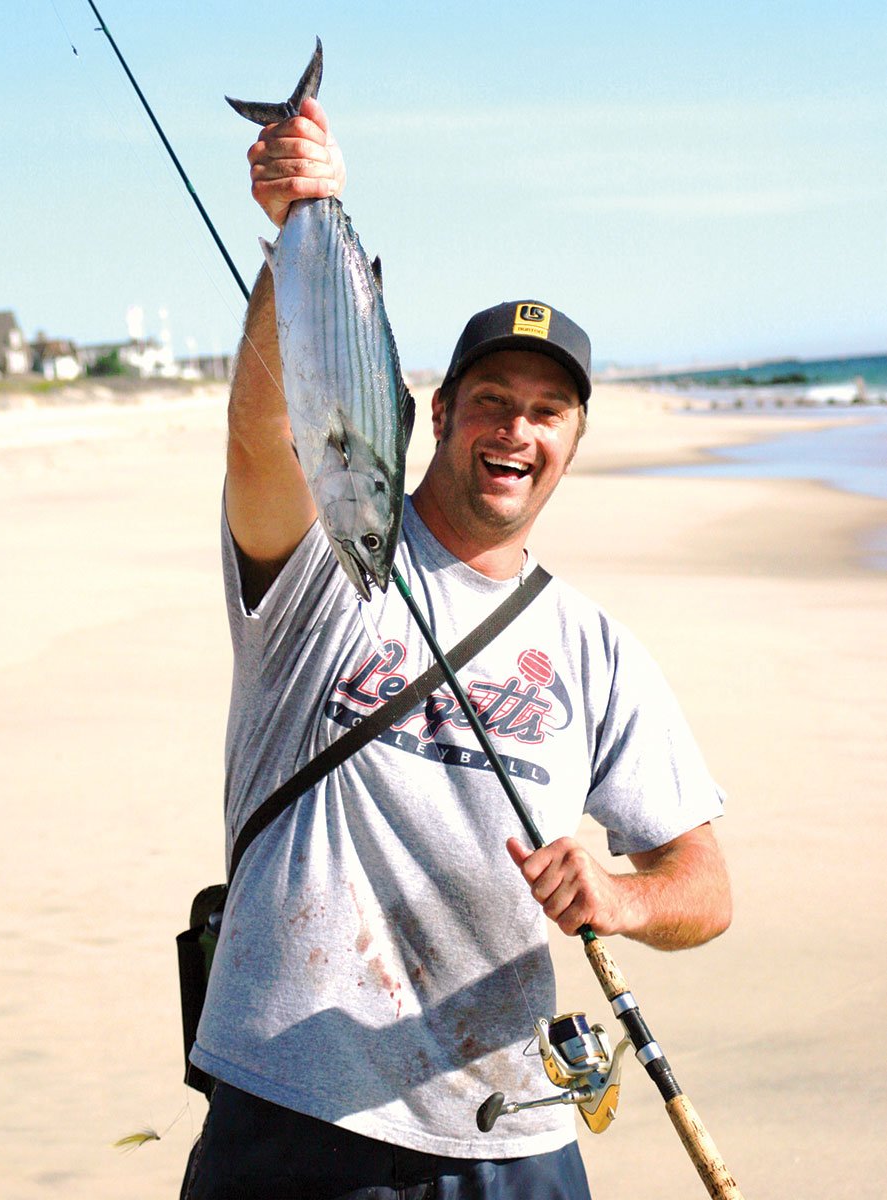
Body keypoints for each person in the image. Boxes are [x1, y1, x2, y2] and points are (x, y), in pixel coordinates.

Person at [180, 97, 732, 1200]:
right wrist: (298, 230)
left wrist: (618, 898)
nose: (514, 432)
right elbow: (265, 435)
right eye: (491, 401)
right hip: (297, 1109)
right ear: (438, 414)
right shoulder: (335, 556)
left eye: (545, 411)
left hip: (509, 1127)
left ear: (573, 438)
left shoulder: (593, 648)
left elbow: (702, 885)